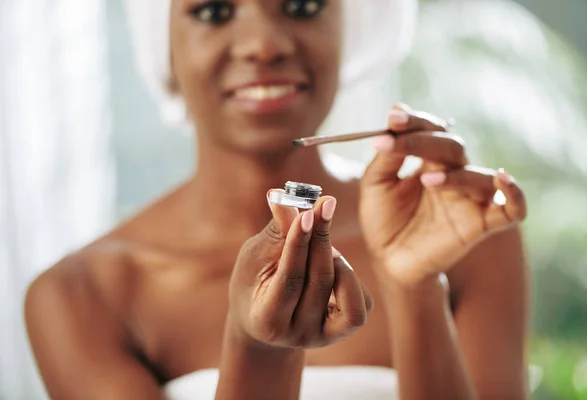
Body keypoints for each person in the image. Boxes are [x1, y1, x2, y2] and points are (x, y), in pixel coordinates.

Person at [24, 0, 529, 399]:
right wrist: (257, 348)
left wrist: (415, 290)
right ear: (163, 47)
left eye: (303, 5)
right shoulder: (80, 296)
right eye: (214, 11)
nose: (264, 46)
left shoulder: (462, 239)